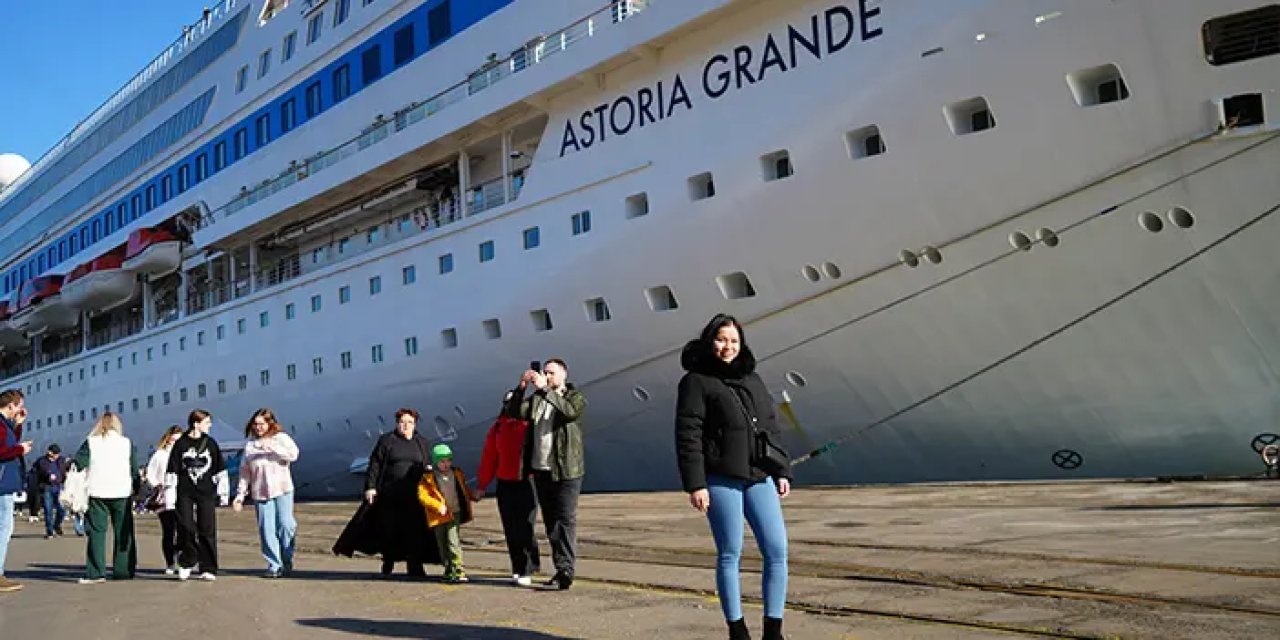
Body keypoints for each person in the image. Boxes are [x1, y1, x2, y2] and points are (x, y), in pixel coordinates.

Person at [676, 314, 793, 640]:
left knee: (777, 549)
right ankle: (737, 630)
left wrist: (781, 470)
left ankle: (773, 630)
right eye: (721, 340)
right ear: (709, 341)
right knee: (730, 552)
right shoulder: (696, 381)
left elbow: (769, 426)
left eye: (733, 341)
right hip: (721, 477)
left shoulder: (751, 378)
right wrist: (696, 484)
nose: (727, 347)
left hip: (759, 474)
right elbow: (688, 434)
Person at [504, 358, 586, 590]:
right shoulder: (537, 399)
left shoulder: (574, 396)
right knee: (551, 523)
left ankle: (566, 570)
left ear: (564, 374)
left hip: (566, 470)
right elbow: (515, 413)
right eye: (545, 372)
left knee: (565, 520)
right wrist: (521, 388)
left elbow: (570, 412)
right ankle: (561, 569)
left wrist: (544, 390)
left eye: (551, 373)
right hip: (541, 470)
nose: (547, 376)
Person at [364, 408, 435, 577]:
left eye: (409, 422)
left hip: (415, 495)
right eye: (402, 422)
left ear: (415, 424)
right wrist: (370, 487)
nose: (406, 425)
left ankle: (415, 565)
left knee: (415, 530)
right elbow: (375, 465)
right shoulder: (387, 441)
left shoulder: (422, 442)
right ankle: (389, 559)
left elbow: (427, 464)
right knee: (390, 529)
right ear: (397, 423)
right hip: (390, 494)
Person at [72, 412, 139, 584]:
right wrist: (137, 488)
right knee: (123, 532)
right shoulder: (126, 443)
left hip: (97, 491)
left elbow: (78, 463)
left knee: (97, 533)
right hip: (122, 492)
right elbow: (134, 468)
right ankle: (123, 571)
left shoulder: (91, 442)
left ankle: (96, 573)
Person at [232, 408, 301, 578]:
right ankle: (274, 565)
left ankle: (286, 557)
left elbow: (293, 455)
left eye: (261, 424)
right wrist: (240, 496)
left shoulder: (281, 438)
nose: (258, 428)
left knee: (286, 525)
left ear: (270, 423)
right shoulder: (250, 446)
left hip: (282, 489)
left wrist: (273, 448)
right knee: (266, 529)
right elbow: (245, 473)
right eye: (255, 424)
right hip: (260, 492)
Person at [475, 409, 540, 586]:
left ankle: (527, 567)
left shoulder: (530, 426)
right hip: (505, 484)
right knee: (510, 527)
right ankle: (517, 567)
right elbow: (490, 457)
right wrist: (482, 485)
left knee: (526, 525)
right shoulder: (498, 428)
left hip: (527, 481)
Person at [165, 409, 226, 581]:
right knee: (185, 527)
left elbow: (220, 468)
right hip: (184, 492)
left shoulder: (210, 443)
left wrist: (223, 493)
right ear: (196, 424)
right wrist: (169, 497)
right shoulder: (181, 444)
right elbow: (172, 470)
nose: (210, 425)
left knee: (207, 528)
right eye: (207, 422)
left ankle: (208, 567)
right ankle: (187, 561)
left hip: (206, 492)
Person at [417, 443, 475, 583]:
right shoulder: (429, 478)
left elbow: (463, 489)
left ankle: (458, 569)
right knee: (442, 544)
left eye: (448, 460)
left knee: (453, 541)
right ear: (436, 462)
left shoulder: (456, 474)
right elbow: (423, 496)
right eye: (442, 461)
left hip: (454, 513)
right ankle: (448, 569)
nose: (446, 464)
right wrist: (438, 506)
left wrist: (473, 496)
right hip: (439, 516)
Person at [0, 388, 32, 593]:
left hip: (4, 482)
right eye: (19, 406)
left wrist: (18, 425)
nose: (21, 410)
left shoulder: (5, 425)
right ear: (10, 405)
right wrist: (21, 449)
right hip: (2, 484)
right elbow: (3, 450)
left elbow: (8, 442)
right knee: (4, 528)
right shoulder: (0, 425)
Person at [146, 426, 184, 574]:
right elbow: (150, 473)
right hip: (164, 498)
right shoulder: (160, 455)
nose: (175, 443)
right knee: (168, 531)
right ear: (167, 439)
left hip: (182, 497)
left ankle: (181, 559)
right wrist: (157, 485)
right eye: (173, 439)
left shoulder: (184, 454)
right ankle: (170, 562)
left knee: (183, 530)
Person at [35, 444, 67, 538]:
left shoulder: (61, 460)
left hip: (58, 487)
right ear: (50, 452)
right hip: (47, 487)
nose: (57, 455)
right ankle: (49, 531)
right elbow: (41, 470)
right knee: (48, 510)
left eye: (58, 453)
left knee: (62, 509)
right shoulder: (42, 461)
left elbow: (65, 468)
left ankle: (57, 525)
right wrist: (48, 475)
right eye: (55, 453)